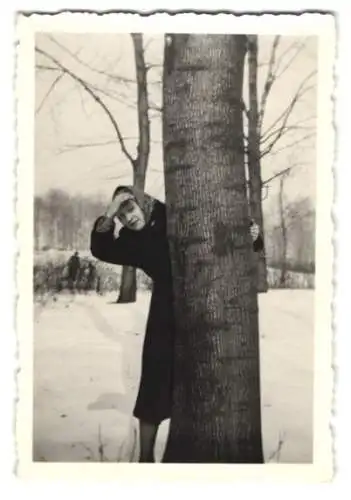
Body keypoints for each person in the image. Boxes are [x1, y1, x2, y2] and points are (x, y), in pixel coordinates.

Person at [90, 185, 264, 462]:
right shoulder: (130, 242)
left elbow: (217, 229)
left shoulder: (173, 215)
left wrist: (253, 237)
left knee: (204, 376)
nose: (129, 219)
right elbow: (101, 249)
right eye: (122, 217)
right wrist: (109, 214)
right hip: (165, 308)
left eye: (130, 210)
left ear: (142, 204)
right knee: (156, 378)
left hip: (205, 300)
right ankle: (145, 458)